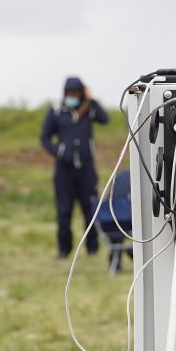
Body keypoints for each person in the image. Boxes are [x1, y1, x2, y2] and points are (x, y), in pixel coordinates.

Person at [40, 76, 108, 258]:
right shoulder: (56, 111)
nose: (73, 96)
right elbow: (45, 137)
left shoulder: (89, 110)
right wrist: (60, 151)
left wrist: (90, 99)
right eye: (70, 93)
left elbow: (105, 119)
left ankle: (92, 248)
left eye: (76, 93)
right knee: (64, 211)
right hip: (64, 171)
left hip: (86, 169)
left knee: (90, 209)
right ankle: (64, 249)